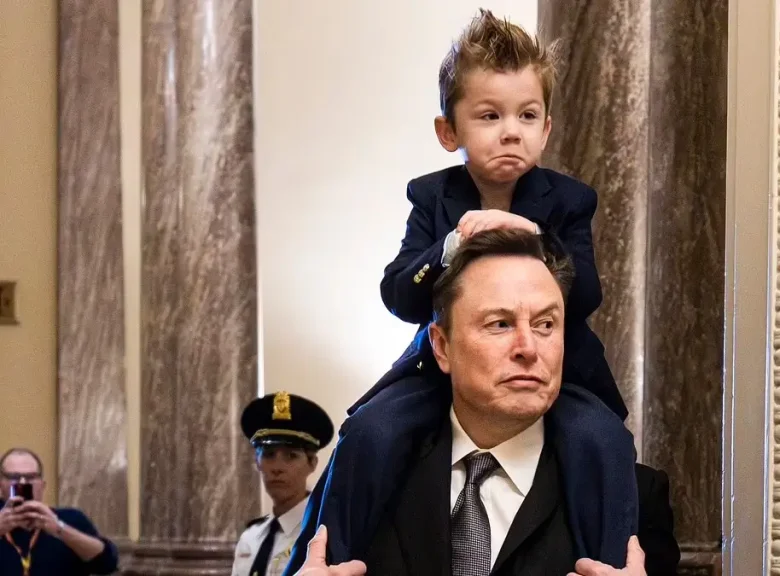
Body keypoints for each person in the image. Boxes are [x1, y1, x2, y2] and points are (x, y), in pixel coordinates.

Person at [298, 9, 639, 569]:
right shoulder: (432, 198)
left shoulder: (569, 200)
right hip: (440, 369)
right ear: (448, 131)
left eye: (528, 115)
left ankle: (611, 565)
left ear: (547, 128)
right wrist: (452, 244)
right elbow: (400, 295)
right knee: (370, 431)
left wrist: (540, 242)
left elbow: (586, 299)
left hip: (563, 375)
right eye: (489, 115)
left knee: (603, 440)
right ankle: (328, 560)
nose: (511, 130)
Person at [289, 229, 680, 576]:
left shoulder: (629, 492)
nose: (528, 348)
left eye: (546, 324)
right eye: (500, 324)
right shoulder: (368, 470)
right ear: (442, 347)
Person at [232, 391, 334, 576]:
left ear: (312, 463)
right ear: (257, 462)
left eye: (291, 456)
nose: (277, 467)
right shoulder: (251, 537)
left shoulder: (323, 535)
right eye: (269, 455)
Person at [0, 447, 119, 575]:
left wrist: (60, 529)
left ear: (42, 485)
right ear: (0, 485)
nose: (22, 483)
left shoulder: (71, 519)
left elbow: (107, 564)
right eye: (14, 477)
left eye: (30, 477)